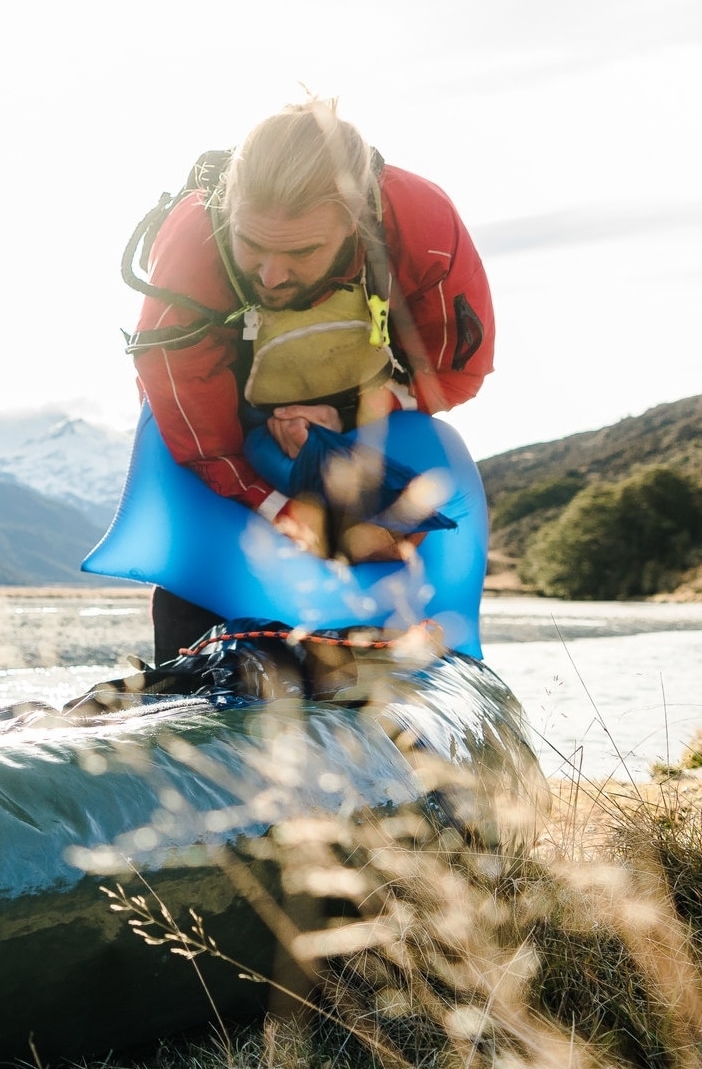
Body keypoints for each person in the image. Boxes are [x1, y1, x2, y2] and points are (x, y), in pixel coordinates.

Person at [124, 99, 495, 662]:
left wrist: (365, 410)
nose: (272, 276)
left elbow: (459, 371)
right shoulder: (193, 242)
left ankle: (385, 668)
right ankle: (194, 692)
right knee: (204, 567)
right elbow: (197, 430)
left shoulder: (421, 224)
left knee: (390, 536)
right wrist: (275, 506)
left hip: (363, 413)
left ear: (353, 221)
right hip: (220, 422)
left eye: (301, 251)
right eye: (252, 245)